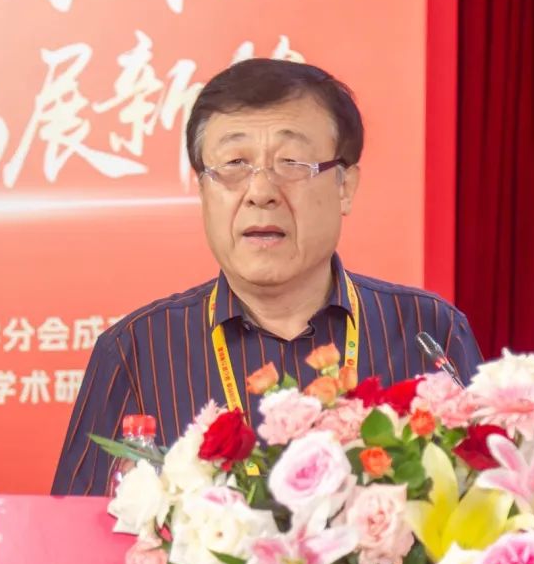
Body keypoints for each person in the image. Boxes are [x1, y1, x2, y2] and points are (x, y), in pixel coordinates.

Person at [51, 58, 483, 496]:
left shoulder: (430, 332)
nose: (260, 193)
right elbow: (73, 532)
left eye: (292, 162)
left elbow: (492, 509)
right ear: (203, 189)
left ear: (345, 186)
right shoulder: (136, 351)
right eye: (234, 164)